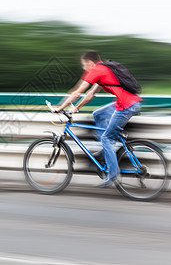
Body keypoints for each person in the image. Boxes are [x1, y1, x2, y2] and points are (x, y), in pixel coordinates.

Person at [54, 50, 142, 186]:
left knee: (107, 139)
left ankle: (112, 175)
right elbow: (90, 94)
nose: (84, 69)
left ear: (90, 63)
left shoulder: (97, 70)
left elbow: (78, 92)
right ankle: (105, 149)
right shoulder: (104, 69)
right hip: (130, 102)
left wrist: (60, 108)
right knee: (98, 114)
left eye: (84, 65)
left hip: (126, 105)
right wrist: (76, 108)